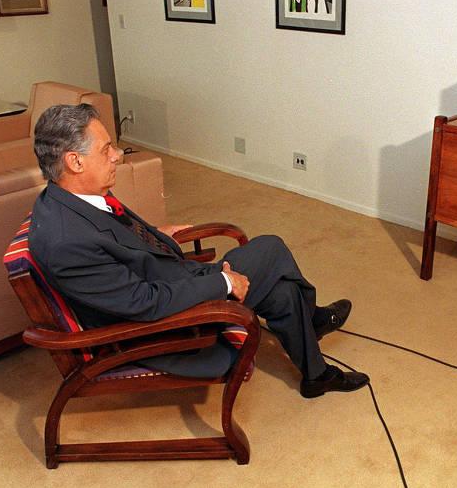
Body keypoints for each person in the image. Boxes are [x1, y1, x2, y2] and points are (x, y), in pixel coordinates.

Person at [28, 103, 369, 398]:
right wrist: (222, 282)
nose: (116, 154)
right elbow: (144, 304)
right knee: (270, 248)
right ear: (75, 161)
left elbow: (112, 245)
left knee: (282, 293)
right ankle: (315, 319)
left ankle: (316, 376)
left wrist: (151, 235)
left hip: (171, 281)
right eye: (105, 149)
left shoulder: (69, 199)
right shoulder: (65, 242)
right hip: (166, 326)